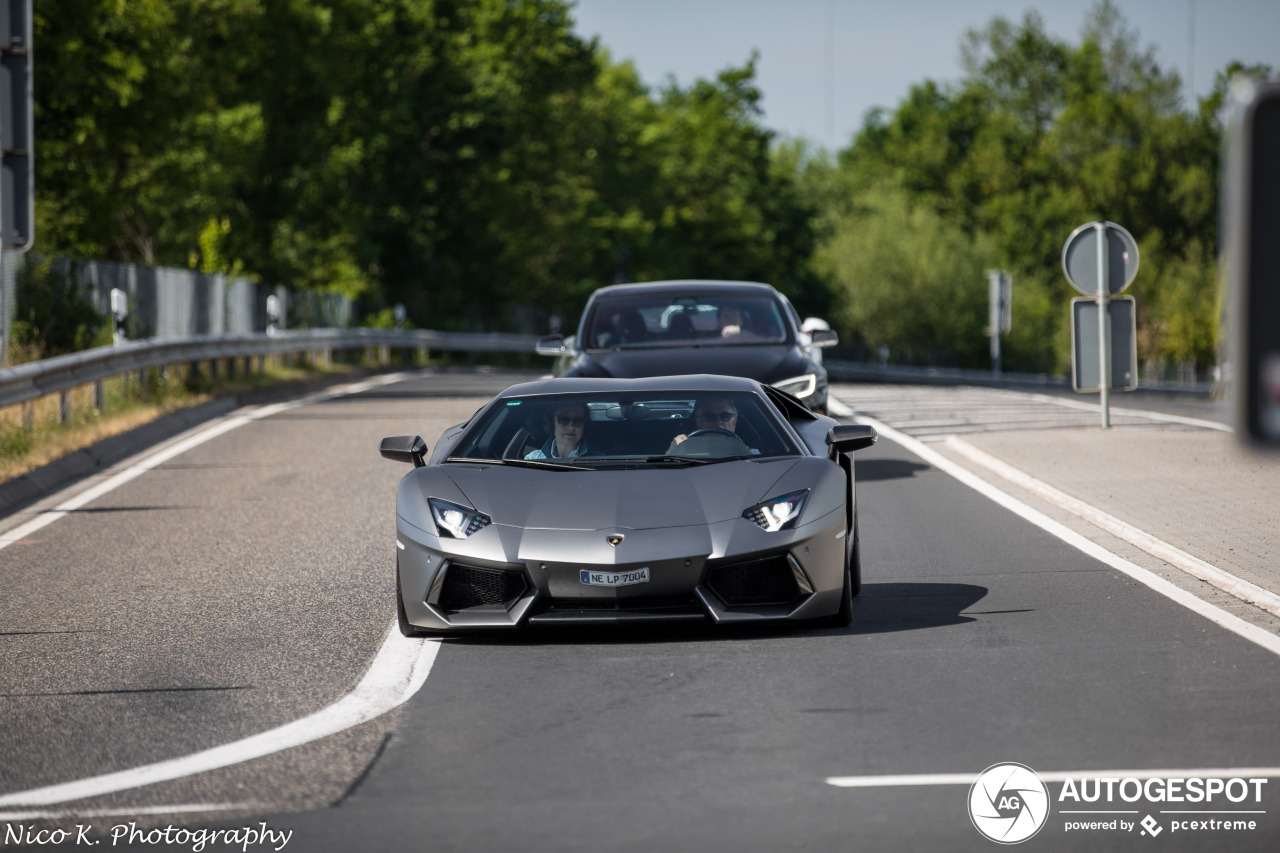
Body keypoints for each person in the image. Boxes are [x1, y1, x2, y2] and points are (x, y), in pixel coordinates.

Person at [525, 402, 595, 459]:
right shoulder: (532, 459)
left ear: (585, 425)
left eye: (578, 420)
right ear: (552, 423)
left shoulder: (599, 461)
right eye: (563, 419)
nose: (571, 427)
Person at [667, 397, 739, 450]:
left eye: (725, 416)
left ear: (734, 421)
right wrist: (675, 451)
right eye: (710, 417)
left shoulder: (746, 454)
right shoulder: (684, 447)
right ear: (698, 421)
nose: (718, 421)